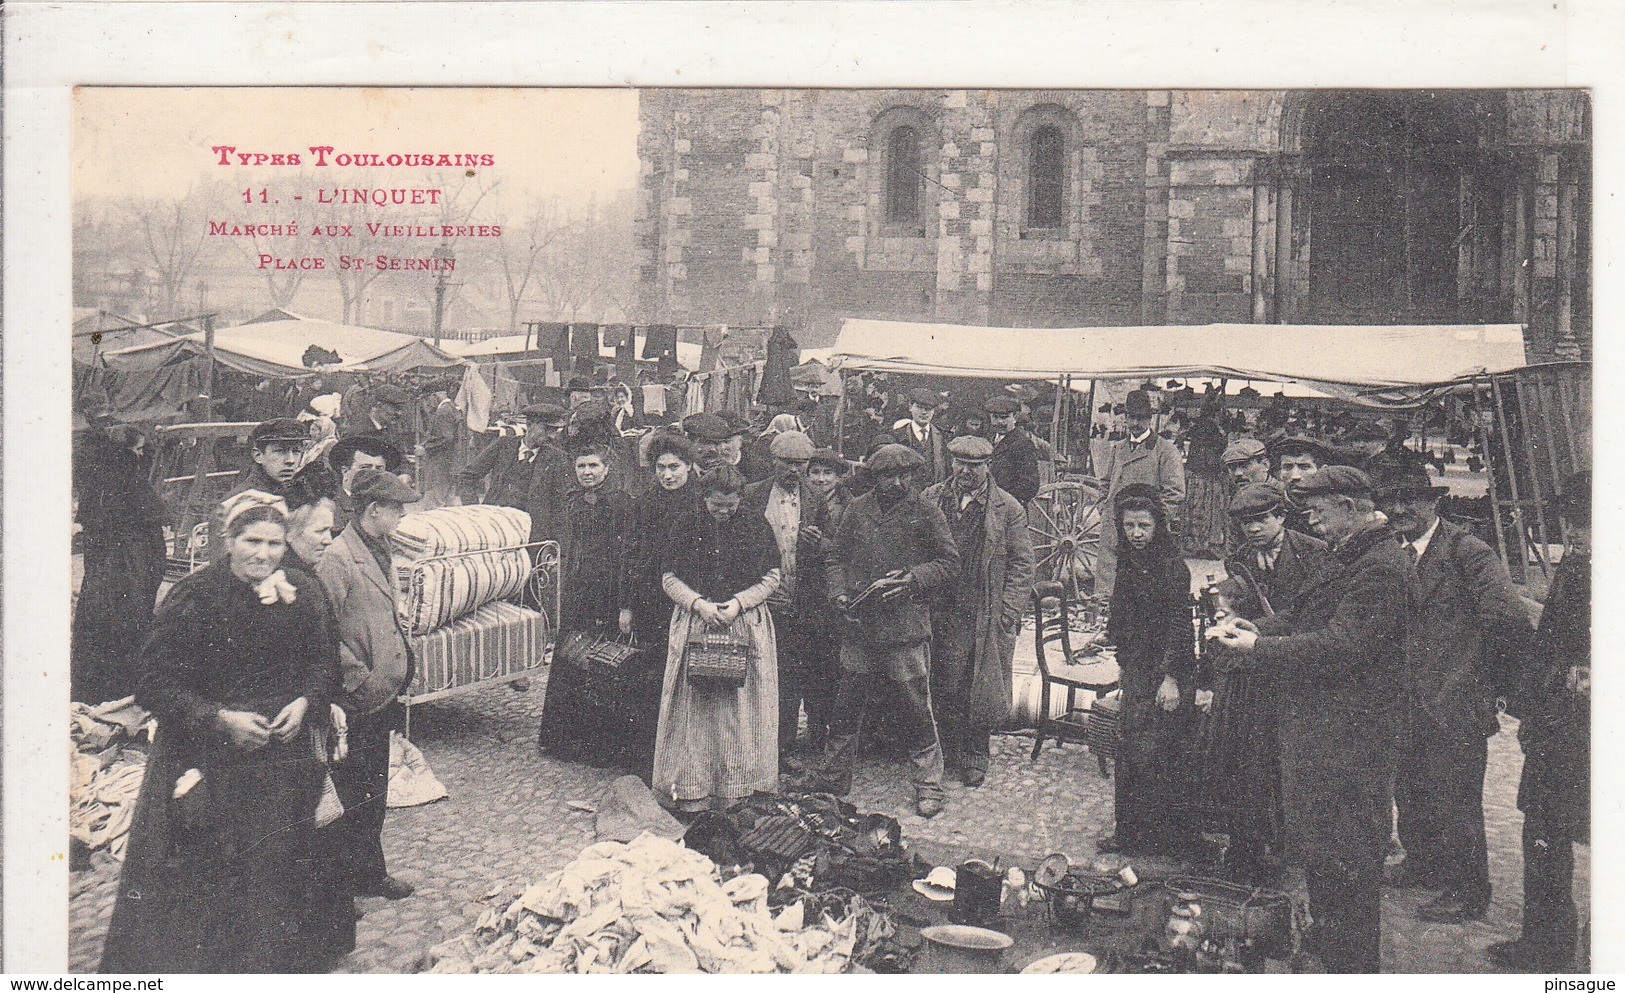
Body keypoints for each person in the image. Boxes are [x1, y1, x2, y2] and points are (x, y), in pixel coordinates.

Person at [101, 492, 342, 973]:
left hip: (279, 758)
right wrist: (218, 719)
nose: (264, 554)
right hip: (210, 758)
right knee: (212, 874)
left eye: (275, 543)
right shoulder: (196, 595)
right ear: (229, 542)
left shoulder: (300, 589)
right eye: (252, 541)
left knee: (276, 868)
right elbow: (154, 684)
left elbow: (324, 662)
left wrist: (307, 702)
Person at [1212, 466, 1416, 973]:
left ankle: (1351, 968)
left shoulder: (1382, 567)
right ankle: (1328, 951)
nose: (1314, 524)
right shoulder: (1350, 556)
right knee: (1327, 857)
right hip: (1329, 734)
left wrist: (1259, 647)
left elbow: (1342, 644)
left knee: (1348, 863)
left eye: (1320, 514)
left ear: (1350, 507)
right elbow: (1306, 617)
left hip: (1354, 738)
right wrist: (1252, 625)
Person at [1373, 462, 1531, 924]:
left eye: (1411, 500)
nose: (1400, 509)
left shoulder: (1468, 552)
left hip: (1455, 701)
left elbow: (1508, 622)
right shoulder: (1391, 552)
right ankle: (1423, 864)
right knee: (1411, 787)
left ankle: (1468, 890)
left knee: (1456, 799)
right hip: (1404, 700)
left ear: (1434, 502)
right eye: (1392, 501)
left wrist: (1481, 684)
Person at [799, 443, 960, 818]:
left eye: (905, 475)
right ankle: (834, 776)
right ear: (875, 477)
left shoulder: (926, 511)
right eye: (890, 475)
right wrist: (838, 592)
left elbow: (949, 563)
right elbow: (836, 557)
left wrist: (913, 579)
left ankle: (928, 784)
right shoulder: (857, 509)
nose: (898, 482)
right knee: (846, 706)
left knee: (917, 707)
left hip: (905, 629)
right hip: (860, 625)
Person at [1488, 470, 1590, 972]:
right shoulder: (1582, 564)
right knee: (1553, 833)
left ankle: (1549, 948)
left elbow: (1559, 648)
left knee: (1549, 833)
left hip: (1569, 728)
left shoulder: (1586, 568)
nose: (1572, 535)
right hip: (1565, 725)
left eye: (1577, 524)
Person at [1204, 482, 1329, 884]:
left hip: (1296, 670)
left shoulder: (1315, 552)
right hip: (1253, 673)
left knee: (1291, 762)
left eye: (1261, 520)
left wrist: (1260, 628)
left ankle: (1290, 849)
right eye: (1245, 524)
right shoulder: (1239, 558)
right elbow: (1235, 599)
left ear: (1281, 516)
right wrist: (1225, 606)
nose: (1253, 530)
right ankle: (1247, 848)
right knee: (1247, 760)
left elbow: (1314, 615)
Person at [316, 468, 422, 903]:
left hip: (381, 694)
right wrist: (358, 677)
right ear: (374, 510)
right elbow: (323, 630)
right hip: (357, 698)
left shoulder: (379, 547)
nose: (400, 516)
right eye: (396, 509)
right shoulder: (339, 557)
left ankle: (367, 874)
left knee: (373, 790)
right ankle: (345, 884)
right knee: (352, 791)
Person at [650, 467, 784, 812]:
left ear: (740, 499)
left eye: (730, 504)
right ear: (704, 498)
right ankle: (694, 790)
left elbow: (772, 576)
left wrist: (739, 603)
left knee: (740, 712)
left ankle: (738, 790)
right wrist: (697, 603)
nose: (723, 511)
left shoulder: (756, 525)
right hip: (697, 624)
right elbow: (668, 577)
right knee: (696, 711)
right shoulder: (686, 525)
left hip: (744, 626)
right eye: (716, 505)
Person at [922, 435, 1035, 787]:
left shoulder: (1008, 508)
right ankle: (942, 751)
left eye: (974, 465)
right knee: (937, 679)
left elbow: (1022, 564)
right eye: (960, 464)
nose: (966, 472)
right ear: (951, 462)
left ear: (987, 466)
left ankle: (974, 754)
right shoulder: (932, 498)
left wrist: (1008, 612)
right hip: (936, 605)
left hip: (980, 609)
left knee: (976, 684)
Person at [1097, 483, 1200, 856]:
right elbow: (1122, 616)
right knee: (1130, 752)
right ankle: (1129, 835)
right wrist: (1123, 662)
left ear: (1158, 526)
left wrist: (1170, 677)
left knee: (1164, 754)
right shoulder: (1129, 561)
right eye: (1129, 527)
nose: (1137, 534)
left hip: (1167, 672)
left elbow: (1179, 625)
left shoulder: (1173, 568)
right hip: (1139, 668)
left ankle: (1169, 841)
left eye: (1144, 526)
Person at [537, 443, 634, 763]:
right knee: (570, 659)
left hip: (607, 594)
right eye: (581, 467)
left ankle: (601, 744)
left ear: (607, 468)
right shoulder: (571, 502)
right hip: (578, 593)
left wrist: (624, 603)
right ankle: (564, 740)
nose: (587, 473)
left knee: (602, 663)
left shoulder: (621, 504)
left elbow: (627, 556)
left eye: (593, 466)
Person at [618, 433, 704, 775]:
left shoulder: (701, 502)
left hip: (691, 599)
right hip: (651, 601)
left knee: (689, 676)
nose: (667, 475)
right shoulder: (645, 504)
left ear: (689, 467)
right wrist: (627, 605)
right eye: (661, 468)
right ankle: (649, 758)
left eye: (674, 467)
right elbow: (631, 555)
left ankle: (688, 756)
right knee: (652, 675)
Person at [740, 431, 830, 755]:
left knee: (802, 673)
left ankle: (798, 746)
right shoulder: (752, 496)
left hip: (805, 600)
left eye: (800, 464)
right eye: (787, 463)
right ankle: (767, 746)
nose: (794, 471)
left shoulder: (818, 500)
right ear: (773, 461)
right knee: (770, 675)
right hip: (765, 600)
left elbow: (835, 550)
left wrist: (818, 544)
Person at [72, 422, 168, 704]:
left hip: (106, 593)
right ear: (125, 454)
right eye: (138, 450)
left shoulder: (101, 487)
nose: (142, 456)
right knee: (122, 636)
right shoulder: (131, 491)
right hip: (126, 593)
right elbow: (148, 560)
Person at [1095, 390, 1186, 600]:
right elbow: (1105, 482)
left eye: (1141, 418)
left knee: (1142, 586)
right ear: (1125, 418)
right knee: (1108, 585)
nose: (1136, 423)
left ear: (1150, 419)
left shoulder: (1165, 450)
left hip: (1145, 528)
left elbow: (1175, 493)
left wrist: (1156, 521)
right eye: (1132, 418)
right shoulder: (1118, 448)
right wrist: (1104, 508)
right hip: (1114, 524)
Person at [457, 403, 572, 544]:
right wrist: (475, 510)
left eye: (555, 430)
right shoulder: (503, 445)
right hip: (494, 527)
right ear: (530, 425)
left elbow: (560, 507)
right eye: (548, 429)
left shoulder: (557, 458)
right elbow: (467, 477)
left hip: (531, 536)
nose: (552, 436)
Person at [323, 433, 405, 534]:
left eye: (379, 469)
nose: (373, 474)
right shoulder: (329, 507)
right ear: (345, 472)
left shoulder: (388, 505)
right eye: (365, 468)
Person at [984, 395, 1041, 506]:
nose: (999, 422)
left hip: (1008, 508)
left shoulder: (1023, 444)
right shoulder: (988, 438)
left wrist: (1004, 502)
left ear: (1014, 417)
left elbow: (1029, 484)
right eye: (995, 417)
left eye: (1004, 417)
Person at [892, 387, 949, 486]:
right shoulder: (897, 435)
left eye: (928, 409)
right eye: (919, 407)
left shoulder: (943, 437)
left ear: (934, 411)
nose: (924, 412)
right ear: (910, 407)